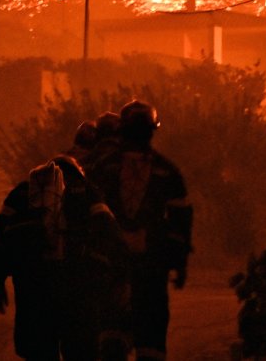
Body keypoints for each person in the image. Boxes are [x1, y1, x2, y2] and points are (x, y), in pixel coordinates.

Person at [0, 154, 127, 361]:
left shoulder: (22, 194)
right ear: (77, 172)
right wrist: (118, 278)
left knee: (40, 352)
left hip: (32, 290)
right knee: (81, 352)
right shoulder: (87, 193)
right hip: (78, 290)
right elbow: (111, 235)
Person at [89, 100, 192, 361]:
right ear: (152, 131)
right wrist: (179, 264)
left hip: (112, 263)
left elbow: (87, 216)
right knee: (151, 338)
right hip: (151, 265)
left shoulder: (101, 168)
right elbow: (180, 223)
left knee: (112, 334)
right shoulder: (168, 172)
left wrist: (91, 258)